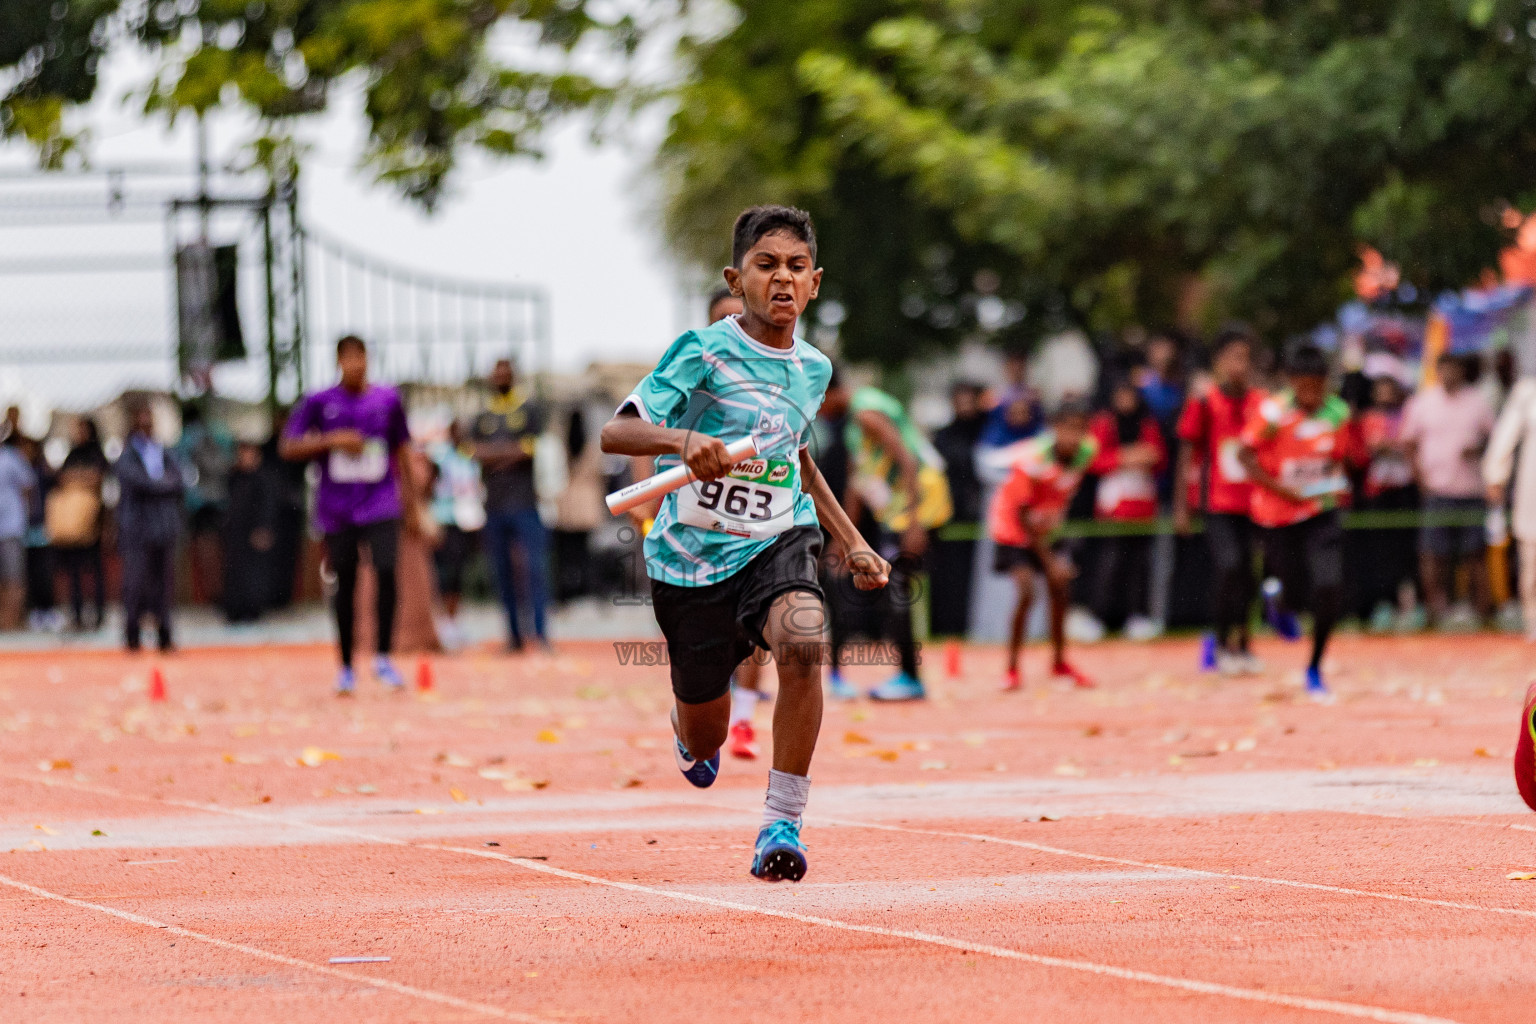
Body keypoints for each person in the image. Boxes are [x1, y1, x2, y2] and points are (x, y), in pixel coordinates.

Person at [598, 204, 889, 882]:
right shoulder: (699, 352)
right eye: (766, 266)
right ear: (738, 277)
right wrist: (683, 441)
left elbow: (798, 457)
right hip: (689, 564)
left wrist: (852, 540)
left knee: (804, 636)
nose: (781, 280)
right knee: (708, 737)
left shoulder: (814, 370)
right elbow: (618, 432)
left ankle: (782, 822)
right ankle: (685, 723)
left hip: (776, 538)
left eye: (795, 268)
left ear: (814, 282)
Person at [281, 335, 417, 695]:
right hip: (337, 509)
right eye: (349, 358)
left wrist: (414, 507)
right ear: (339, 361)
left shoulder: (388, 399)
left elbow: (403, 450)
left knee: (387, 572)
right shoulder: (319, 402)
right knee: (345, 583)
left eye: (362, 357)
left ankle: (384, 657)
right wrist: (332, 440)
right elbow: (288, 446)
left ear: (369, 360)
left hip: (382, 502)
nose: (356, 364)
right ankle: (345, 666)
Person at [1238, 343, 1360, 700]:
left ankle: (1315, 668)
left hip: (1321, 510)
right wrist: (1280, 488)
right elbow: (1244, 454)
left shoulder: (1338, 411)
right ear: (1292, 383)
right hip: (1278, 515)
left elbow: (1338, 456)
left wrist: (1332, 479)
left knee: (1329, 585)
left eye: (1317, 386)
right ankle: (1276, 602)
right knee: (1288, 585)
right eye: (1304, 386)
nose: (1311, 394)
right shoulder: (1273, 412)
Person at [820, 374, 952, 702]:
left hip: (920, 498)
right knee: (891, 586)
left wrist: (915, 523)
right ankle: (906, 676)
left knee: (896, 585)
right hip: (898, 506)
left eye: (818, 400)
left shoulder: (866, 411)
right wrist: (843, 537)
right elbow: (856, 483)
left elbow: (907, 458)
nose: (817, 411)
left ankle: (910, 676)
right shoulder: (853, 424)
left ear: (830, 392)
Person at [1174, 326, 1266, 674]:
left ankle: (1243, 644)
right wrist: (1182, 506)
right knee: (1228, 567)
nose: (1238, 365)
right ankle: (1219, 640)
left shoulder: (1261, 403)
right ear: (1218, 362)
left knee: (1248, 571)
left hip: (1254, 502)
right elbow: (1186, 452)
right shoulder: (1204, 401)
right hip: (1217, 502)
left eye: (1244, 358)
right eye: (1231, 357)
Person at [990, 400, 1098, 691]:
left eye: (1079, 430)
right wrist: (1050, 561)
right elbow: (1023, 515)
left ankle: (1060, 663)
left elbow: (1064, 488)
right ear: (1054, 430)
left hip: (1045, 525)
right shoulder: (1034, 457)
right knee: (1026, 592)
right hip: (1012, 527)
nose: (1073, 438)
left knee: (1061, 590)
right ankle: (1011, 669)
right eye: (1067, 430)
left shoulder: (1087, 451)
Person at [1401, 352, 1495, 629]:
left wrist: (1479, 451)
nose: (1449, 374)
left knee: (1476, 554)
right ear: (1437, 371)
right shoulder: (1422, 403)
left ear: (1463, 372)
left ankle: (1484, 616)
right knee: (1432, 554)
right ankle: (1433, 614)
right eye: (1444, 369)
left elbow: (1496, 438)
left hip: (1472, 490)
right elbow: (1407, 442)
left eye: (1455, 369)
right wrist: (1420, 480)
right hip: (1437, 491)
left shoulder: (1478, 402)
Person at [473, 358, 550, 651]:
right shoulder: (481, 415)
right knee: (502, 573)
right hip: (493, 506)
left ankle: (540, 635)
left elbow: (529, 450)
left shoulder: (529, 409)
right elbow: (472, 451)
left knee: (535, 570)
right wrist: (510, 453)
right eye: (497, 372)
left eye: (506, 372)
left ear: (513, 376)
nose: (501, 377)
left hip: (525, 504)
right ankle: (514, 638)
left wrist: (494, 456)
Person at [1087, 379, 1167, 639]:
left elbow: (1158, 457)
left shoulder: (1147, 423)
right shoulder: (1103, 423)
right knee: (1111, 562)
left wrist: (1135, 456)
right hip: (1114, 503)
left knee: (1140, 563)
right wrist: (1126, 457)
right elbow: (1094, 460)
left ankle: (1138, 616)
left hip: (1142, 502)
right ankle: (1099, 617)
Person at [115, 399, 186, 652]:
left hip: (164, 527)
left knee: (164, 585)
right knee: (135, 583)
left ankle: (164, 634)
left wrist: (160, 485)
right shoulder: (127, 455)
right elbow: (141, 483)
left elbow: (179, 480)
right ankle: (132, 634)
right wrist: (161, 485)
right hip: (137, 528)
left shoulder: (163, 452)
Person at [1356, 374, 1420, 631]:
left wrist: (1390, 448)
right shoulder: (1367, 419)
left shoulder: (1407, 416)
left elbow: (1408, 447)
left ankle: (1409, 605)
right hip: (1378, 493)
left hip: (1403, 490)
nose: (1386, 396)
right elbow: (1366, 450)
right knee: (1380, 551)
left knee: (1405, 549)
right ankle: (1383, 604)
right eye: (1380, 391)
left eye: (1390, 391)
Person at [929, 381, 987, 637]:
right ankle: (947, 628)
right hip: (949, 517)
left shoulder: (986, 432)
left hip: (980, 518)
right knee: (949, 578)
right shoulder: (943, 436)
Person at [1485, 373, 1536, 640]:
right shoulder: (1527, 392)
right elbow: (1504, 436)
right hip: (1533, 491)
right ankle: (1534, 620)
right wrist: (1496, 474)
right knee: (1532, 563)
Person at [429, 418, 486, 650]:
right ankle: (443, 622)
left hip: (466, 522)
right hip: (444, 520)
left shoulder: (469, 457)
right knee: (444, 574)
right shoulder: (439, 457)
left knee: (459, 573)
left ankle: (453, 621)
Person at [52, 418, 109, 631]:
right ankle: (77, 614)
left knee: (95, 569)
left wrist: (76, 478)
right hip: (73, 522)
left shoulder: (96, 453)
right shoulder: (73, 453)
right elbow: (61, 477)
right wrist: (84, 477)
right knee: (74, 569)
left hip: (93, 519)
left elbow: (98, 478)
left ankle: (98, 614)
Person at [176, 402, 235, 606]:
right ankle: (222, 593)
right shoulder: (219, 433)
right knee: (219, 550)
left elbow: (182, 470)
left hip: (201, 504)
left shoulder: (189, 438)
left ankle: (215, 595)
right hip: (219, 501)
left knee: (207, 551)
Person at [221, 441, 278, 623]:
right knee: (234, 572)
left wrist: (263, 528)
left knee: (254, 573)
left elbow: (268, 506)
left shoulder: (263, 479)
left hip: (254, 532)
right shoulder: (234, 477)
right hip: (235, 533)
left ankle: (252, 609)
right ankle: (235, 609)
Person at [553, 408, 604, 604]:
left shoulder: (563, 446)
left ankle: (567, 593)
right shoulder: (592, 447)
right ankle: (588, 590)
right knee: (585, 552)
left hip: (566, 505)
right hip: (586, 505)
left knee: (567, 554)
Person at [0, 431, 35, 631]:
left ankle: (12, 620)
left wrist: (24, 514)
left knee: (14, 575)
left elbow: (28, 486)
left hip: (11, 527)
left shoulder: (12, 458)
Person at [979, 353, 1045, 448]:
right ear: (1006, 368)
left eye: (1020, 368)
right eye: (1013, 367)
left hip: (1028, 438)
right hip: (1002, 441)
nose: (1016, 371)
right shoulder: (994, 394)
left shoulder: (1034, 394)